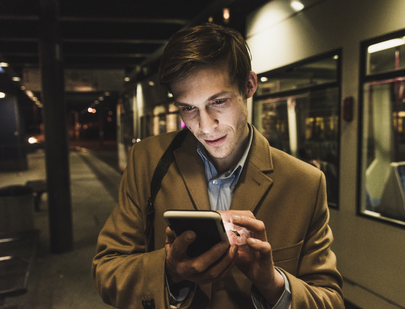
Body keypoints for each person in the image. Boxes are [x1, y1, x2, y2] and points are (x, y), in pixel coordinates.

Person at [92, 22, 344, 309]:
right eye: (189, 108)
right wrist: (170, 270)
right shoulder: (147, 161)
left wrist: (272, 283)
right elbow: (107, 270)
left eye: (218, 101)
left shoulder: (305, 183)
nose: (205, 126)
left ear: (249, 85)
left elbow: (330, 300)